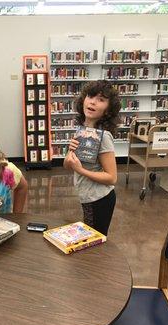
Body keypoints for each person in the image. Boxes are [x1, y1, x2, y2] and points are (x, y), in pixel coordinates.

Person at [63, 80, 121, 236]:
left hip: (100, 199)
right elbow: (68, 165)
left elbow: (111, 177)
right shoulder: (82, 131)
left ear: (108, 109)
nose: (93, 102)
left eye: (101, 99)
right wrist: (70, 153)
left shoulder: (104, 137)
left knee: (95, 242)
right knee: (90, 237)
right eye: (90, 96)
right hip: (87, 196)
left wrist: (80, 170)